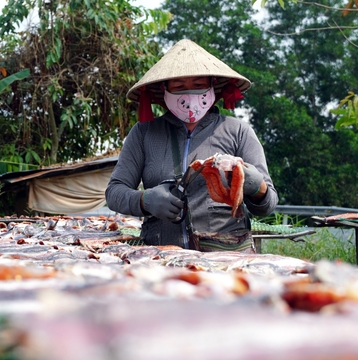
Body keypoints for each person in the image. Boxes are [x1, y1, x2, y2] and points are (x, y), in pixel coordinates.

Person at [105, 39, 278, 253]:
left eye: (198, 85)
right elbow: (114, 192)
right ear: (164, 90)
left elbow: (268, 203)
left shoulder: (238, 131)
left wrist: (256, 186)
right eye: (179, 87)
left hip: (228, 258)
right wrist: (145, 199)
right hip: (161, 257)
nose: (190, 95)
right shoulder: (144, 133)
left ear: (212, 86)